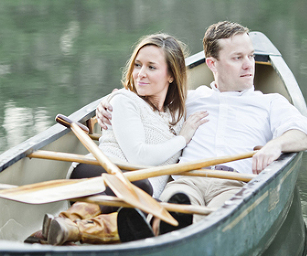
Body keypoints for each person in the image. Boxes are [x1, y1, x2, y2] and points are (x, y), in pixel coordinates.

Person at [97, 21, 307, 242]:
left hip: (233, 184)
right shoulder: (189, 99)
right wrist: (108, 103)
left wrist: (275, 145)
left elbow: (306, 134)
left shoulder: (270, 103)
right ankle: (159, 231)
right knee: (174, 203)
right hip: (186, 181)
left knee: (217, 220)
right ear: (212, 63)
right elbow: (143, 101)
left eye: (250, 56)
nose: (249, 65)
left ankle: (166, 237)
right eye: (237, 58)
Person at [41, 33, 209, 245]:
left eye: (151, 67)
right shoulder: (125, 100)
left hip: (138, 196)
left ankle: (70, 230)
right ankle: (68, 220)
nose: (140, 74)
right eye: (138, 65)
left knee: (157, 212)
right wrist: (183, 139)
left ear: (171, 75)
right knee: (140, 187)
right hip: (99, 174)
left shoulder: (177, 115)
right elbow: (140, 157)